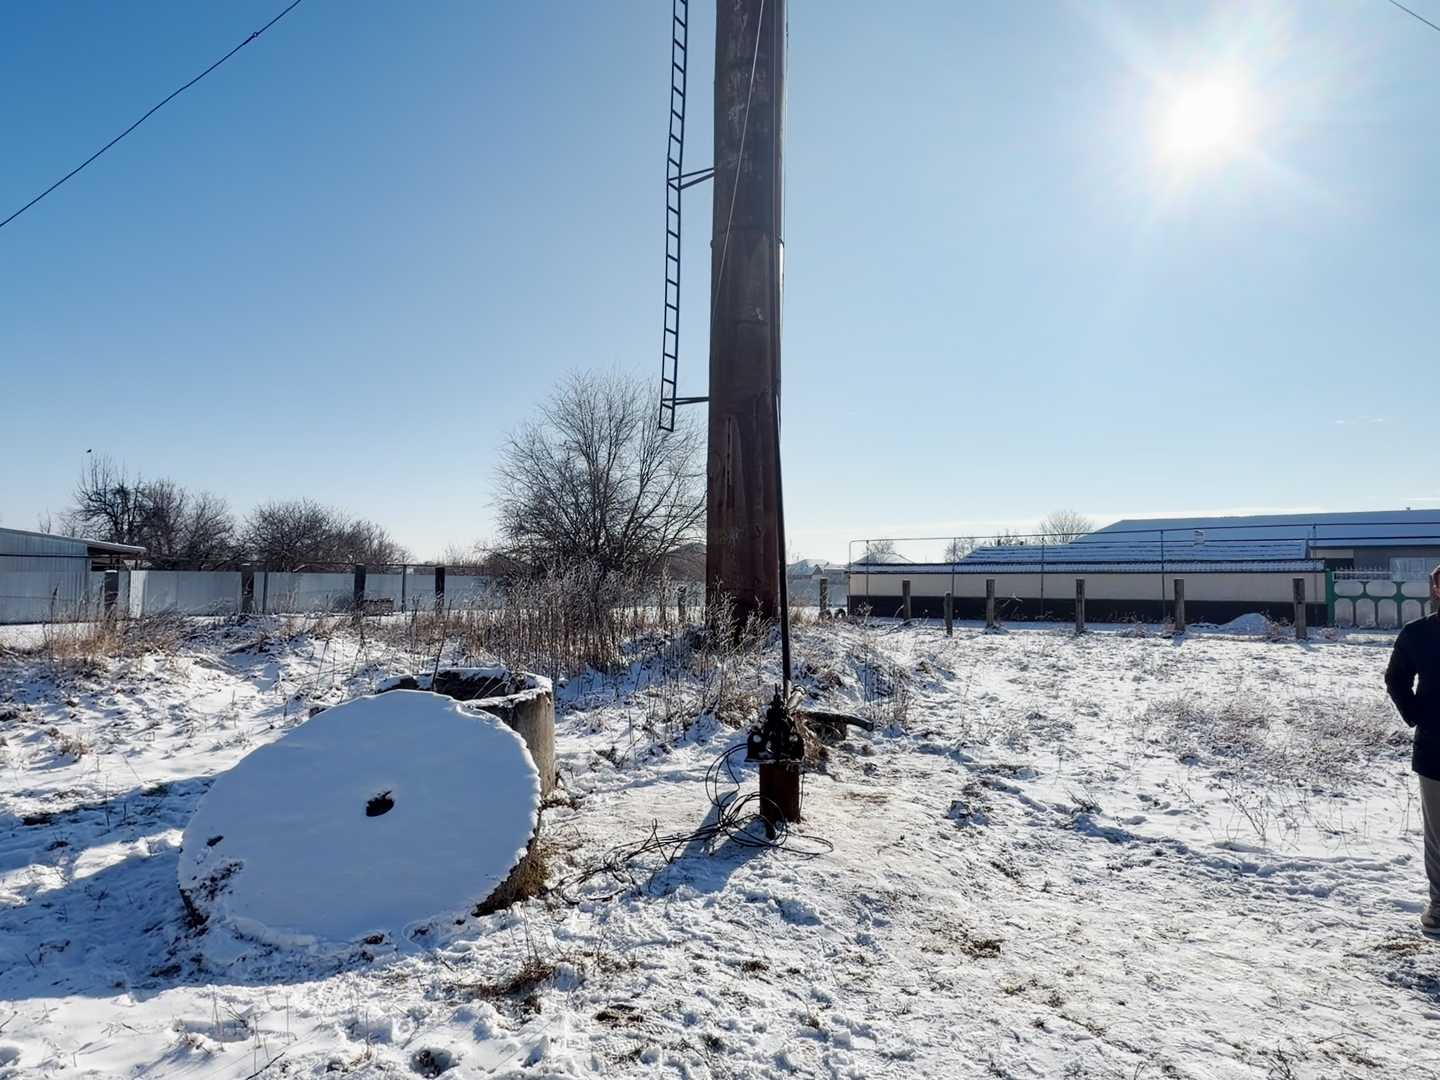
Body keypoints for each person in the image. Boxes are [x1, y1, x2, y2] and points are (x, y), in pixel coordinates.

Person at [1385, 565, 1440, 933]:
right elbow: (1396, 678)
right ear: (1436, 587)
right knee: (1438, 835)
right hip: (1436, 751)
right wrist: (1420, 715)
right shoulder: (1418, 633)